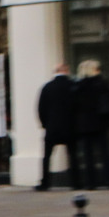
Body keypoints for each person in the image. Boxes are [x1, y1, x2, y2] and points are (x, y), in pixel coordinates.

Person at [74, 59, 109, 190]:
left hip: (85, 125)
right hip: (101, 123)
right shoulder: (102, 84)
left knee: (88, 155)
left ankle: (90, 182)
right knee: (105, 153)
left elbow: (74, 106)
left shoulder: (78, 86)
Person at [36, 63, 79, 191]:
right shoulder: (73, 86)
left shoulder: (47, 87)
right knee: (73, 156)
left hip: (52, 127)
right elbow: (78, 107)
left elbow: (41, 108)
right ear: (67, 71)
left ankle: (45, 182)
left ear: (55, 71)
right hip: (70, 127)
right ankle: (76, 182)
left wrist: (45, 124)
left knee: (47, 157)